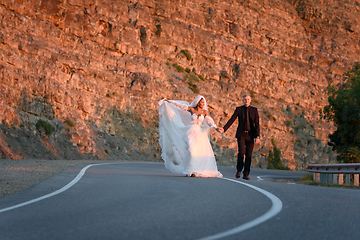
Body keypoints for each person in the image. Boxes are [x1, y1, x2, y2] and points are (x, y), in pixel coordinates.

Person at [158, 95, 223, 178]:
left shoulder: (205, 112)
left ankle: (195, 171)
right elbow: (181, 106)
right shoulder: (192, 109)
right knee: (191, 151)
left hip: (200, 134)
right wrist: (170, 102)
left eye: (204, 102)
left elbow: (209, 122)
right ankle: (190, 170)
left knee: (197, 152)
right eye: (201, 102)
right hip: (190, 132)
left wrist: (216, 128)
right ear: (197, 102)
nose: (203, 104)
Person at [219, 94, 260, 180]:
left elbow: (257, 124)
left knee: (248, 155)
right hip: (241, 134)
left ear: (250, 100)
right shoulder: (239, 109)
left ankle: (246, 174)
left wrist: (257, 136)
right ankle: (238, 170)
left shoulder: (254, 110)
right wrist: (224, 128)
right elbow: (232, 119)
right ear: (243, 100)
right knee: (241, 152)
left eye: (248, 99)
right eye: (245, 99)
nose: (246, 101)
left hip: (251, 135)